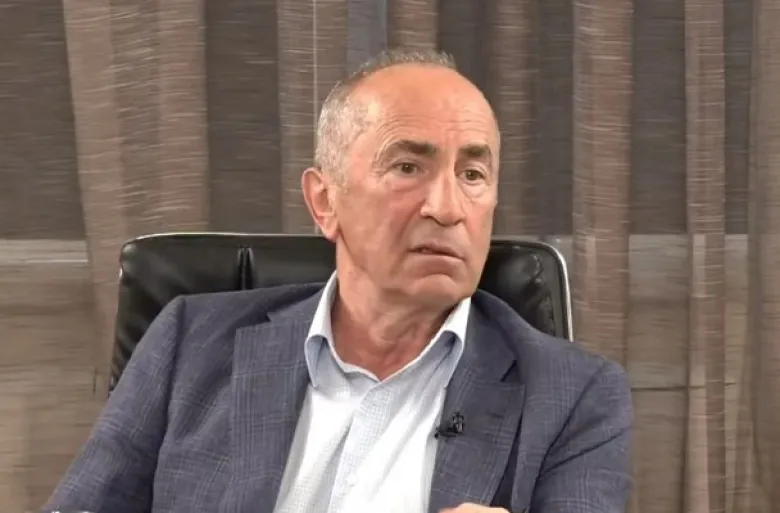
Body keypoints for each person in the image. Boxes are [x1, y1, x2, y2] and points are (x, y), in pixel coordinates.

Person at [44, 49, 633, 513]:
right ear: (325, 202)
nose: (448, 207)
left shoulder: (574, 397)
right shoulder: (189, 344)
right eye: (408, 166)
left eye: (473, 174)